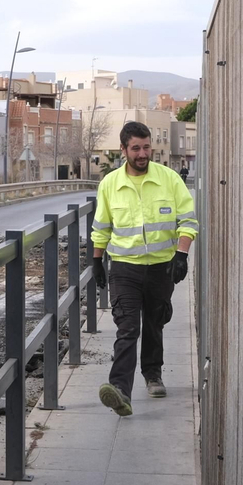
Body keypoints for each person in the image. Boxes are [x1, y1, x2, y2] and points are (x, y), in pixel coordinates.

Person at [90, 121, 197, 416]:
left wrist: (181, 255)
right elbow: (101, 226)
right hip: (124, 267)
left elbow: (188, 221)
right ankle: (120, 390)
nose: (142, 153)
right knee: (127, 327)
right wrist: (97, 260)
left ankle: (153, 375)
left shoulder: (169, 179)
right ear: (123, 149)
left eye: (146, 146)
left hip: (162, 267)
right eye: (135, 148)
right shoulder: (110, 184)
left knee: (154, 322)